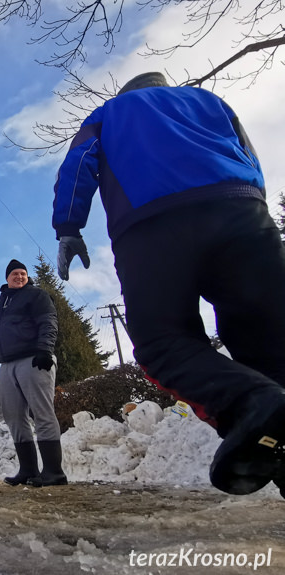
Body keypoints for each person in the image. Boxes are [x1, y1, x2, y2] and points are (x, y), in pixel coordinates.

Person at [52, 71, 285, 497]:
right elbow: (250, 156)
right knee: (270, 341)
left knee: (162, 341)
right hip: (242, 213)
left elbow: (78, 164)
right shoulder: (208, 102)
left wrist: (68, 227)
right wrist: (254, 212)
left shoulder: (108, 114)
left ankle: (250, 403)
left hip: (153, 227)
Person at [0, 260, 65, 487]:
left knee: (42, 413)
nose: (19, 276)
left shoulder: (37, 295)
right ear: (7, 278)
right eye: (15, 274)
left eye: (23, 273)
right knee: (14, 417)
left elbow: (49, 322)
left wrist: (45, 349)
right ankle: (28, 471)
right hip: (7, 365)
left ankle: (54, 473)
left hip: (33, 359)